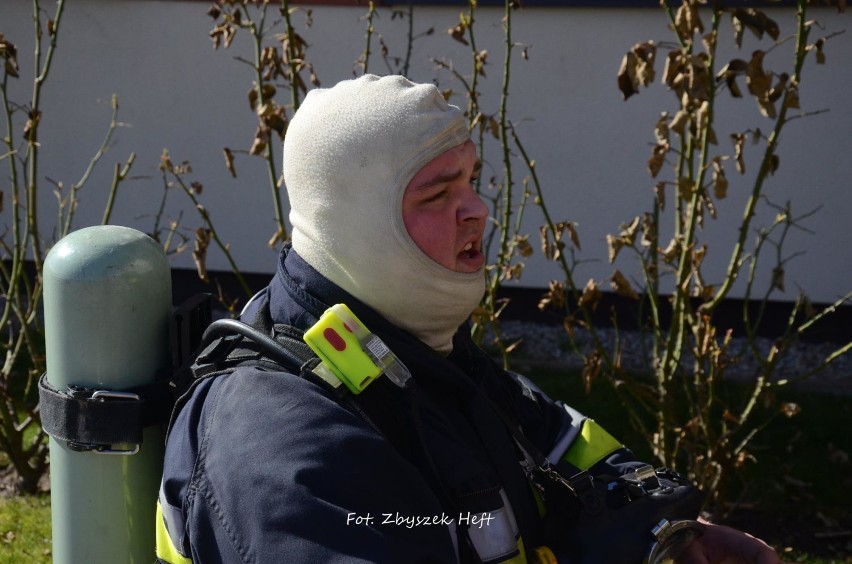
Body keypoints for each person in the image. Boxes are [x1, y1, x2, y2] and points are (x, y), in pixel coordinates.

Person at [156, 74, 779, 563]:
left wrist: (669, 535)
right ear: (352, 223)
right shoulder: (277, 442)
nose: (477, 209)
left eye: (472, 181)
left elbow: (567, 451)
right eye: (437, 193)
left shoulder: (416, 354)